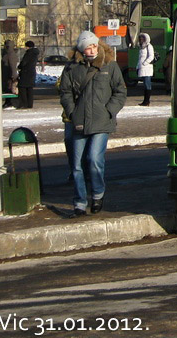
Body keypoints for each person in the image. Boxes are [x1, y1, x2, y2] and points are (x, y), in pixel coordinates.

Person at [59, 30, 127, 217]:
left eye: (94, 46)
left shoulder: (109, 65)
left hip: (102, 121)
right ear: (81, 49)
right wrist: (72, 113)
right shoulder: (72, 68)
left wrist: (109, 111)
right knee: (77, 165)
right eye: (88, 47)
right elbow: (65, 92)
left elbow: (120, 91)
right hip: (79, 121)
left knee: (94, 159)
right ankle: (80, 202)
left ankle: (97, 194)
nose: (92, 50)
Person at [16, 40, 40, 109]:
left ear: (28, 47)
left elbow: (24, 62)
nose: (25, 48)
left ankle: (24, 104)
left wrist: (19, 67)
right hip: (32, 72)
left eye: (26, 46)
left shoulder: (29, 53)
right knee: (30, 89)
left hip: (26, 72)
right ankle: (30, 104)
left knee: (22, 87)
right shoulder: (35, 53)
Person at [135, 32, 154, 106]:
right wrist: (138, 67)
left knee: (147, 85)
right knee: (145, 85)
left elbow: (151, 56)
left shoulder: (149, 46)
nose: (141, 39)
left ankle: (147, 101)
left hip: (147, 68)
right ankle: (145, 101)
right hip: (142, 68)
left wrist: (145, 63)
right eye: (140, 38)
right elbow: (140, 58)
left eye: (142, 38)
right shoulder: (141, 47)